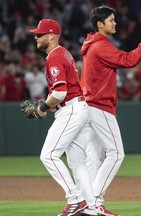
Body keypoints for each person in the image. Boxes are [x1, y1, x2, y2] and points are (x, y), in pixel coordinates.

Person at [80, 6, 141, 216]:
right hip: (100, 106)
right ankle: (94, 200)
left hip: (89, 105)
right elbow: (129, 60)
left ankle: (89, 204)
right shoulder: (100, 46)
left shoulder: (91, 45)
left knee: (94, 157)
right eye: (111, 20)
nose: (115, 23)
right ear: (99, 24)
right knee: (116, 153)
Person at [29, 19, 100, 216]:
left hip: (71, 110)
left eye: (39, 34)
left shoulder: (54, 56)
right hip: (75, 107)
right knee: (78, 162)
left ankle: (75, 200)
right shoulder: (63, 53)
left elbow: (60, 92)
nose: (36, 37)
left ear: (51, 35)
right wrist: (53, 103)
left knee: (49, 155)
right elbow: (62, 92)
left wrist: (43, 107)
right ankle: (92, 208)